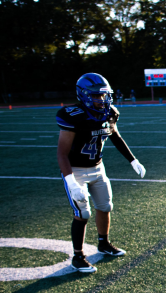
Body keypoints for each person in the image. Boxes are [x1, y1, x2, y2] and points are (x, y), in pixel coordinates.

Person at [56, 73, 146, 273]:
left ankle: (103, 243)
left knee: (105, 206)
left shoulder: (110, 112)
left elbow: (115, 136)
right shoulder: (72, 116)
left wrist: (133, 160)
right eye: (96, 96)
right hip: (75, 170)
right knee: (83, 213)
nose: (101, 100)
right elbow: (62, 154)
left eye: (104, 95)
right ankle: (78, 256)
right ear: (85, 95)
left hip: (98, 167)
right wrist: (71, 182)